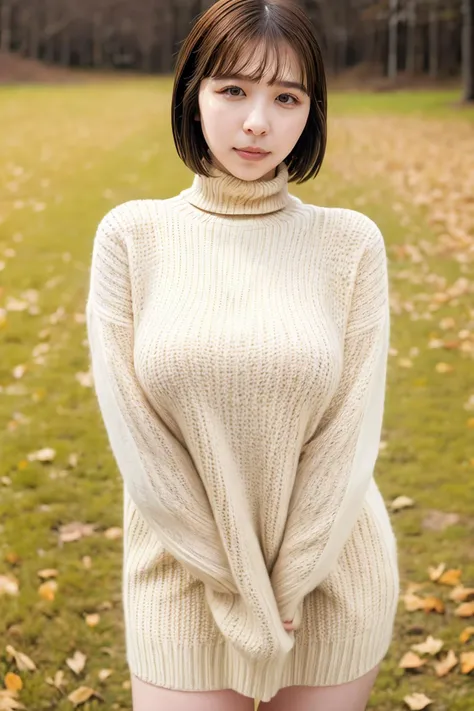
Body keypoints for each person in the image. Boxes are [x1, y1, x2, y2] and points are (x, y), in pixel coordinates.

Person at [86, 0, 400, 709]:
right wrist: (234, 584)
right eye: (232, 89)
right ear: (192, 93)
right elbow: (141, 442)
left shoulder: (351, 243)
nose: (257, 121)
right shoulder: (133, 237)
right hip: (183, 574)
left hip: (327, 576)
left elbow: (350, 433)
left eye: (285, 97)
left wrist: (287, 581)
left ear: (309, 113)